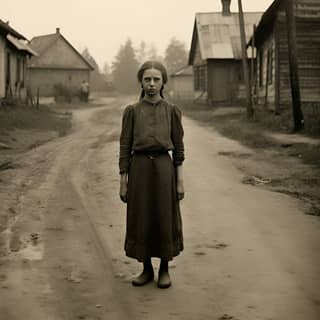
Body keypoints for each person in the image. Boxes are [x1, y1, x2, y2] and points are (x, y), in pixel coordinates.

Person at [119, 60, 185, 289]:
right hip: (139, 168)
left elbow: (179, 148)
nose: (152, 84)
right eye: (147, 79)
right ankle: (146, 269)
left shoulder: (172, 111)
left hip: (164, 168)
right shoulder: (132, 112)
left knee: (165, 217)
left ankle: (164, 269)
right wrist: (123, 181)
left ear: (163, 82)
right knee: (142, 216)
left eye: (156, 79)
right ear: (141, 82)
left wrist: (180, 180)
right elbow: (125, 146)